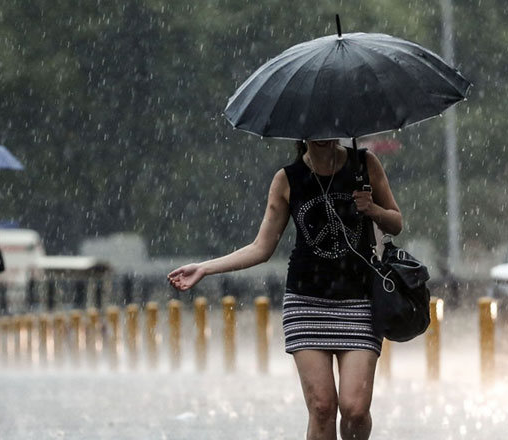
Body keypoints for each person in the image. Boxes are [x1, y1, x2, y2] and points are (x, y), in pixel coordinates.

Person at [168, 139, 402, 440]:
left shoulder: (364, 164)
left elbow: (396, 222)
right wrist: (205, 267)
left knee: (355, 409)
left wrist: (372, 209)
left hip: (359, 301)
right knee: (322, 407)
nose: (321, 132)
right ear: (300, 132)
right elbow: (261, 247)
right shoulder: (287, 179)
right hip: (306, 302)